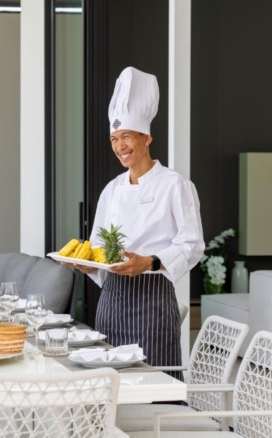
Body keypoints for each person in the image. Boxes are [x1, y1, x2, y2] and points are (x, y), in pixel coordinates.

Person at [75, 67, 205, 377]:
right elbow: (97, 243)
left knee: (156, 382)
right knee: (110, 381)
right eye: (114, 138)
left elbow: (192, 244)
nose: (119, 145)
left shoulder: (175, 185)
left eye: (126, 136)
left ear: (147, 138)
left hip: (153, 299)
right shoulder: (112, 189)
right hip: (111, 300)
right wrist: (90, 265)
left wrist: (148, 262)